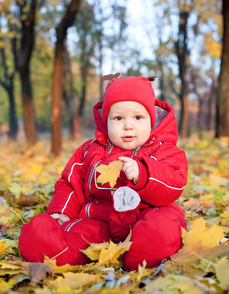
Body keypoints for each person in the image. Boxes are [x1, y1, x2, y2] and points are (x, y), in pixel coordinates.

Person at [19, 76, 188, 271]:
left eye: (138, 117)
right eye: (118, 118)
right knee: (41, 233)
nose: (128, 125)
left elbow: (174, 182)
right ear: (105, 120)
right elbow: (71, 183)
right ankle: (56, 251)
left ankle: (140, 256)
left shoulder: (164, 150)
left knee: (163, 227)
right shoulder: (91, 150)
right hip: (99, 222)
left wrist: (144, 172)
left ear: (152, 120)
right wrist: (61, 211)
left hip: (146, 215)